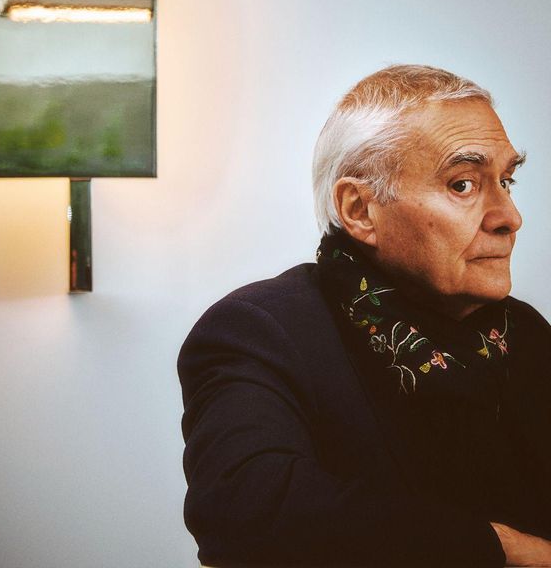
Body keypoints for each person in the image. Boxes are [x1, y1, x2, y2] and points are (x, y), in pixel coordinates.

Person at [178, 65, 551, 567]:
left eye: (506, 181)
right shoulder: (261, 330)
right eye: (463, 184)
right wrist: (504, 548)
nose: (509, 217)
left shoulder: (526, 333)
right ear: (359, 209)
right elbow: (246, 509)